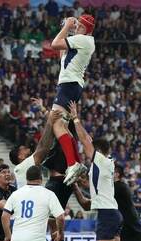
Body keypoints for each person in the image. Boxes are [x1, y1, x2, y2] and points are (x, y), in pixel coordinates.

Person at [69, 101, 121, 241]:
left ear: (97, 151)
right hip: (113, 212)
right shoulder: (107, 162)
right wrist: (86, 184)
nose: (86, 152)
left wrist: (75, 118)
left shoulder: (101, 161)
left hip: (106, 213)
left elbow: (85, 140)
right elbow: (88, 139)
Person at [49, 14, 96, 185]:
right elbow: (62, 55)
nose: (77, 28)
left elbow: (54, 44)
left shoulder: (84, 40)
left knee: (56, 124)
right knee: (65, 128)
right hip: (72, 85)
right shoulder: (82, 42)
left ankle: (72, 163)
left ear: (85, 29)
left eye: (79, 26)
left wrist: (67, 26)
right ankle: (75, 162)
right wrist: (67, 30)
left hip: (68, 85)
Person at [73, 165, 141, 241]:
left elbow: (86, 203)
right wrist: (77, 184)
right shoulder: (111, 189)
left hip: (133, 234)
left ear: (116, 174)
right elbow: (87, 201)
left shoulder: (119, 187)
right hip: (120, 233)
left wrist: (75, 185)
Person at [1, 165, 65, 241]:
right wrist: (60, 232)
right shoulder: (49, 194)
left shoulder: (16, 194)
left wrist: (8, 235)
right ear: (41, 178)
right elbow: (60, 217)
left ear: (27, 178)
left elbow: (4, 216)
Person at [9, 101, 61, 188]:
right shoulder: (21, 167)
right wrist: (50, 121)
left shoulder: (25, 167)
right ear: (20, 156)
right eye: (23, 149)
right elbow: (43, 148)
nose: (26, 147)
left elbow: (42, 147)